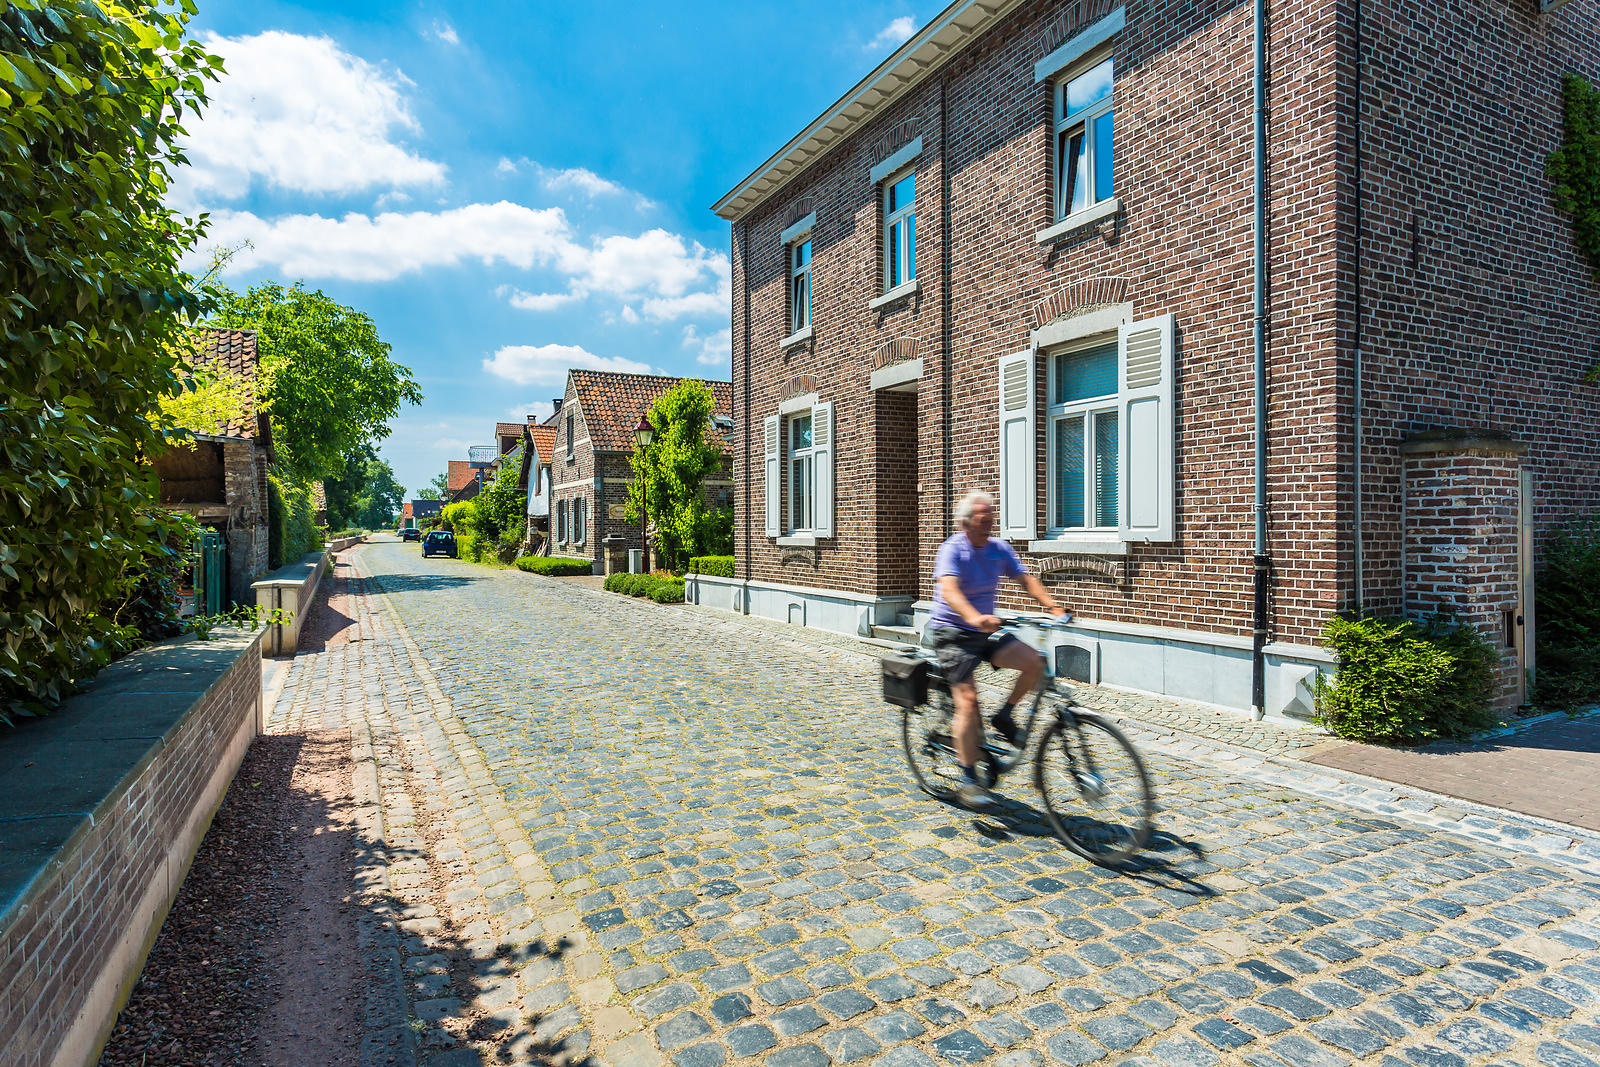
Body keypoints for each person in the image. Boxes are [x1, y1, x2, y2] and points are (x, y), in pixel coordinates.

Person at [930, 489, 1068, 810]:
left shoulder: (998, 549)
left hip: (987, 629)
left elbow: (1025, 578)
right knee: (968, 700)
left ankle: (1005, 715)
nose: (989, 525)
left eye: (991, 520)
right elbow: (949, 589)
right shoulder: (952, 549)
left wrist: (1053, 606)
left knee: (1035, 662)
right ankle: (967, 779)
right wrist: (973, 617)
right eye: (983, 520)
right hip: (953, 633)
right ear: (965, 523)